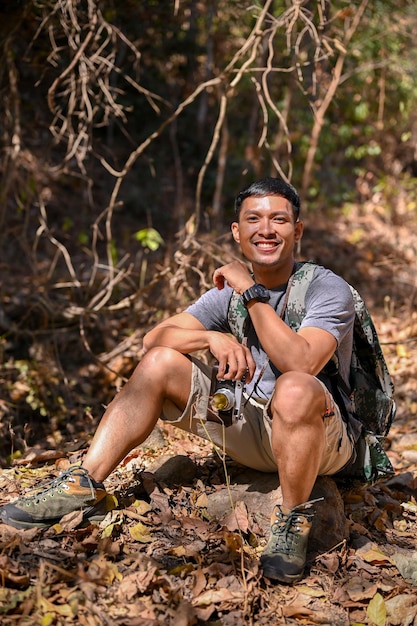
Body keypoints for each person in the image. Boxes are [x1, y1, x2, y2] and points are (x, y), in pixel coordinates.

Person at [0, 177, 357, 584]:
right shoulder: (225, 297)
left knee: (294, 388)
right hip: (250, 425)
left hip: (319, 435)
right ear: (237, 232)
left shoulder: (326, 288)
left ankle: (292, 520)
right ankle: (82, 485)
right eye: (254, 219)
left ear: (297, 231)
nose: (267, 229)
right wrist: (210, 336)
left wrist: (250, 289)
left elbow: (302, 362)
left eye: (279, 219)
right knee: (159, 362)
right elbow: (156, 338)